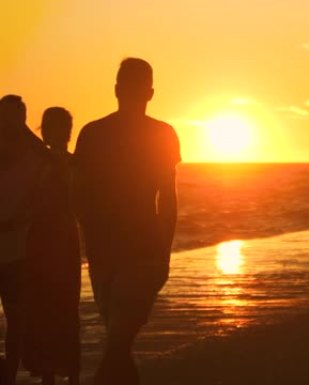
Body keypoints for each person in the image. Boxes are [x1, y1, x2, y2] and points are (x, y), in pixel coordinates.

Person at [72, 58, 180, 385]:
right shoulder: (92, 133)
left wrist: (164, 251)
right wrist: (89, 243)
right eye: (129, 87)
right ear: (118, 90)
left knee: (118, 339)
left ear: (149, 93)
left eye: (137, 88)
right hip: (106, 251)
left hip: (143, 249)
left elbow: (168, 196)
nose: (133, 94)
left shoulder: (162, 134)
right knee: (119, 339)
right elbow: (79, 195)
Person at [23, 107, 81, 385]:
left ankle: (67, 373)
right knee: (48, 308)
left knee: (62, 308)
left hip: (59, 241)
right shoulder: (40, 163)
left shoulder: (69, 164)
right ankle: (53, 373)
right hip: (44, 241)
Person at [0, 95, 50, 385]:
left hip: (18, 255)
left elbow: (47, 157)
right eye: (1, 119)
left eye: (11, 119)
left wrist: (24, 130)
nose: (5, 125)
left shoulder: (33, 156)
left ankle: (10, 375)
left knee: (16, 322)